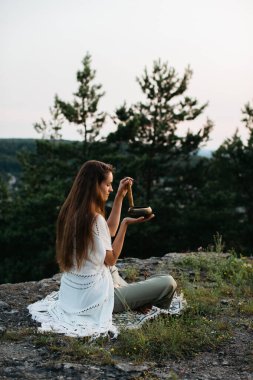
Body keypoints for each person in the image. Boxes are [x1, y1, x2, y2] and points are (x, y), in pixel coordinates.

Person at [28, 160, 177, 338]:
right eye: (107, 184)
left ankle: (136, 299)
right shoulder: (94, 219)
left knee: (111, 270)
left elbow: (108, 232)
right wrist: (125, 224)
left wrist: (120, 197)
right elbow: (112, 257)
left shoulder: (70, 212)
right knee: (168, 282)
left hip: (73, 295)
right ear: (94, 185)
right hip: (97, 299)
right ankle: (138, 301)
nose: (111, 189)